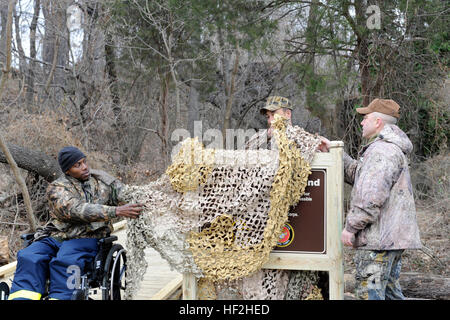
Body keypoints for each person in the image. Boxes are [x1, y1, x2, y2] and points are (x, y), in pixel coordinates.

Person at [8, 146, 143, 300]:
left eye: (84, 162)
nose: (84, 167)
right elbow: (73, 209)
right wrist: (116, 211)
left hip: (87, 237)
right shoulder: (57, 188)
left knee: (65, 260)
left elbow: (129, 195)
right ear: (67, 171)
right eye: (77, 165)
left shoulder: (103, 183)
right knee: (28, 255)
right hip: (57, 236)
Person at [245, 96, 328, 300]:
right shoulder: (259, 139)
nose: (270, 118)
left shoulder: (304, 139)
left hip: (300, 220)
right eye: (268, 115)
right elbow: (244, 162)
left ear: (287, 114)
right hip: (266, 220)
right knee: (268, 278)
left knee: (299, 280)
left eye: (274, 114)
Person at [340, 98, 422, 300]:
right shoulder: (388, 149)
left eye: (365, 118)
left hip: (378, 245)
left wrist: (350, 228)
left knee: (370, 294)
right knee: (390, 294)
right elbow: (360, 176)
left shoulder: (382, 151)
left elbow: (370, 198)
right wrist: (336, 154)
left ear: (378, 122)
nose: (361, 122)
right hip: (389, 243)